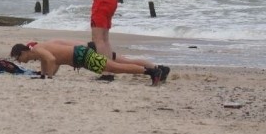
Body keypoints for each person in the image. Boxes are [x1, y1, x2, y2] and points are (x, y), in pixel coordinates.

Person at [10, 40, 170, 85]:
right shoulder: (39, 49)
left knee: (116, 68)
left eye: (19, 58)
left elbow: (51, 60)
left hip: (82, 56)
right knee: (118, 63)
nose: (21, 62)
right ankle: (154, 69)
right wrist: (44, 75)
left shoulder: (37, 49)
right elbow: (52, 62)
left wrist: (48, 78)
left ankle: (151, 72)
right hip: (82, 53)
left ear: (23, 52)